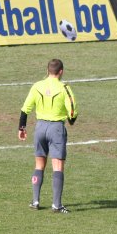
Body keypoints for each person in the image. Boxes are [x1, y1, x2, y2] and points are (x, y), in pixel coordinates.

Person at [19, 58, 77, 214]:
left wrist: (22, 127)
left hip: (39, 128)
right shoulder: (64, 88)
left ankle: (35, 201)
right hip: (56, 128)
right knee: (57, 166)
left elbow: (25, 109)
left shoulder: (37, 86)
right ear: (61, 72)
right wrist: (71, 119)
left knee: (39, 164)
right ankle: (56, 205)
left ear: (47, 71)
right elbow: (72, 112)